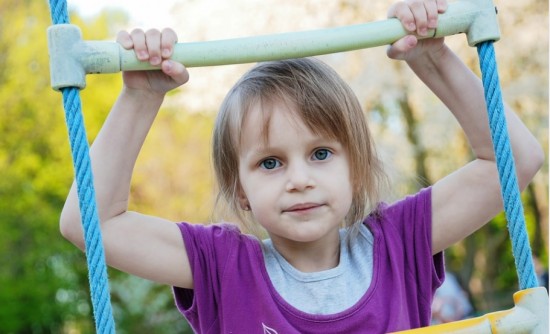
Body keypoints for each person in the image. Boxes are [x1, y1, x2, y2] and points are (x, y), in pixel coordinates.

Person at [59, 0, 543, 332]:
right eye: (270, 162)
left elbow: (516, 160)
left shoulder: (398, 242)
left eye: (321, 153)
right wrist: (140, 98)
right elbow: (89, 223)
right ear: (241, 190)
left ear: (356, 168)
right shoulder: (224, 267)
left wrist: (434, 59)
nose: (299, 179)